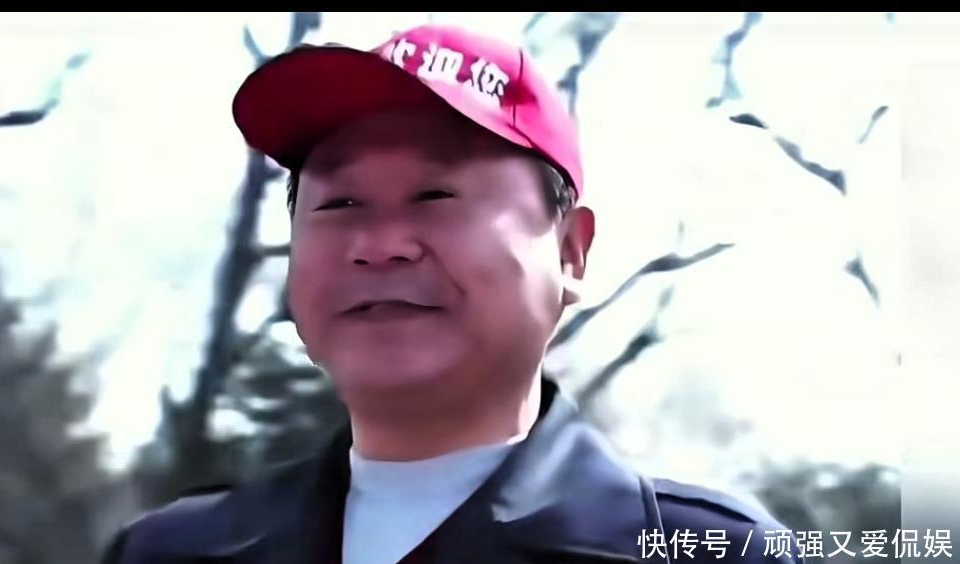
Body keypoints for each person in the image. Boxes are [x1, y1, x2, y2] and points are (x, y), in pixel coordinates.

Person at [101, 24, 801, 564]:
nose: (380, 243)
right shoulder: (171, 553)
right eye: (339, 203)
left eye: (436, 195)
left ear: (569, 251)